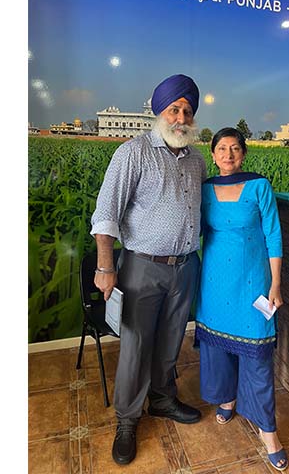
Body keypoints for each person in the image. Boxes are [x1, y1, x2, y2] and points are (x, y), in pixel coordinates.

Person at [90, 74, 208, 465]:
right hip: (142, 266)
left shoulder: (197, 160)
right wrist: (105, 267)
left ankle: (162, 399)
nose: (181, 118)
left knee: (171, 340)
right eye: (174, 109)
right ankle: (126, 420)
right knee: (136, 346)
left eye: (187, 111)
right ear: (160, 112)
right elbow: (106, 214)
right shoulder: (133, 153)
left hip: (184, 267)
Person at [195, 127, 288, 471]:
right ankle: (227, 398)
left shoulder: (259, 186)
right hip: (214, 281)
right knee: (218, 347)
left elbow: (273, 235)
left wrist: (276, 283)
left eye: (235, 148)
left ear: (244, 153)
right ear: (213, 154)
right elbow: (194, 229)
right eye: (222, 148)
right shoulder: (205, 189)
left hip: (253, 282)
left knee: (257, 353)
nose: (228, 155)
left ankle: (268, 431)